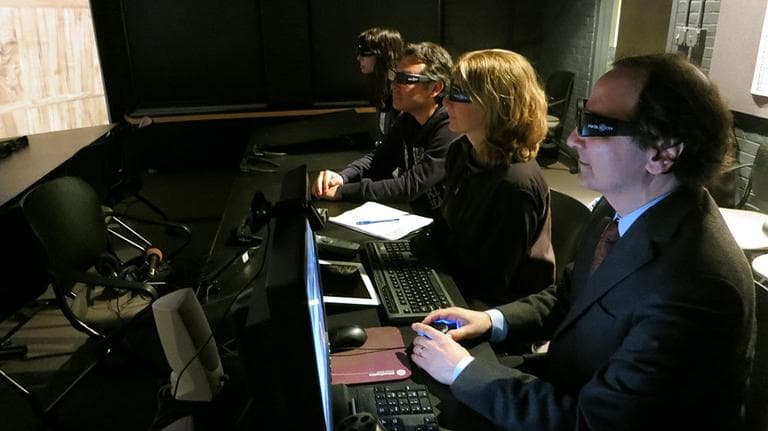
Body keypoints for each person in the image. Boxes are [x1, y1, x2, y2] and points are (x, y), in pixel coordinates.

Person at [410, 53, 756, 430]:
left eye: (596, 125)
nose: (574, 139)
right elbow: (570, 295)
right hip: (568, 385)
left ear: (662, 152)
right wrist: (491, 320)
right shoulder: (616, 206)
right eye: (582, 117)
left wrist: (462, 370)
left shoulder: (696, 285)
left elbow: (591, 421)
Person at [424, 49, 554, 308]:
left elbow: (492, 284)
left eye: (458, 94)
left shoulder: (515, 184)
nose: (445, 102)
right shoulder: (461, 151)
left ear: (496, 105)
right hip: (457, 282)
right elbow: (447, 230)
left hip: (494, 309)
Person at [313, 42, 459, 218]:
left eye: (405, 79)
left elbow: (409, 187)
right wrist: (342, 177)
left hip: (443, 226)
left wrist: (342, 192)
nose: (393, 85)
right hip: (416, 217)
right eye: (394, 76)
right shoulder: (407, 119)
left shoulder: (450, 128)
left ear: (435, 88)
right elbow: (379, 160)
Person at [356, 27, 404, 138]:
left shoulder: (401, 91)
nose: (359, 58)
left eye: (364, 52)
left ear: (382, 55)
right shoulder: (381, 87)